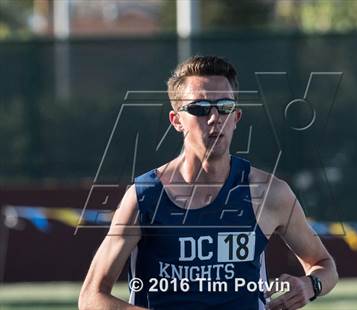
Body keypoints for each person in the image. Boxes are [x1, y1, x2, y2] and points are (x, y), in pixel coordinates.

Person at [79, 56, 338, 310]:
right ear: (176, 121)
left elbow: (325, 265)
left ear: (236, 118)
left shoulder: (269, 193)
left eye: (224, 107)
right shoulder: (144, 197)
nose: (214, 118)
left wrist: (309, 286)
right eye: (200, 108)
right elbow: (91, 298)